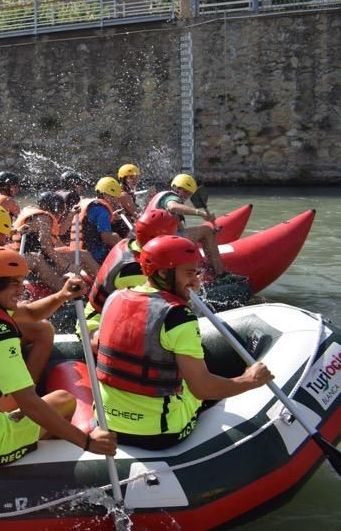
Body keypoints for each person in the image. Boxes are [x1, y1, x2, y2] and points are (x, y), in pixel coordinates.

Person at [0, 246, 116, 466]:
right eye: (14, 284)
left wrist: (62, 295)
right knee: (65, 404)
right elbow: (29, 403)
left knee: (60, 399)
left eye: (21, 281)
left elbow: (30, 313)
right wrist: (88, 443)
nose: (21, 290)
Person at [96, 235, 274, 449]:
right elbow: (202, 388)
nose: (197, 281)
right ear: (162, 272)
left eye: (197, 272)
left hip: (106, 422)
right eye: (190, 273)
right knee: (208, 385)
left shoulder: (114, 298)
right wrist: (249, 380)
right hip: (158, 432)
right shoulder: (178, 317)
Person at [80, 208, 179, 341]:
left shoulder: (128, 243)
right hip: (97, 325)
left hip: (113, 316)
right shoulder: (135, 270)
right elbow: (151, 309)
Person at [145, 174, 228, 277]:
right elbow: (173, 206)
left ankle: (200, 267)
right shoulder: (171, 197)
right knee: (207, 230)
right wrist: (201, 213)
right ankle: (220, 274)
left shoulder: (161, 197)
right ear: (175, 187)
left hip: (154, 241)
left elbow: (181, 229)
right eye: (183, 191)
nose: (184, 195)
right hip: (162, 242)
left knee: (204, 233)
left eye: (188, 194)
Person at [76, 177, 123, 264]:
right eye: (113, 197)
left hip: (81, 251)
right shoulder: (103, 212)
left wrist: (111, 218)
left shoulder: (90, 204)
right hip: (97, 256)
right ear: (104, 195)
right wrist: (126, 243)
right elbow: (107, 238)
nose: (116, 201)